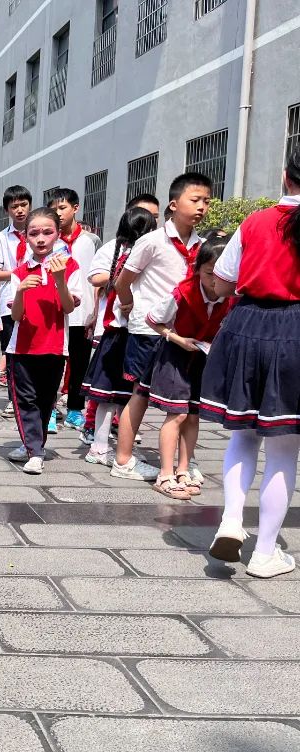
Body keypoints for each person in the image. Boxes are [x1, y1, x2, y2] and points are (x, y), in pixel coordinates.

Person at [200, 145, 300, 577]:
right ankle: (265, 553)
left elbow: (222, 282)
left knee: (242, 435)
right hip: (295, 330)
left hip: (246, 326)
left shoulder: (255, 222)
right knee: (284, 447)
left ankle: (231, 520)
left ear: (285, 176)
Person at [112, 172, 212, 480]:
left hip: (185, 334)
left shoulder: (203, 246)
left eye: (206, 201)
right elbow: (123, 281)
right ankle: (123, 459)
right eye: (194, 200)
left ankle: (184, 463)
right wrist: (130, 307)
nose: (201, 207)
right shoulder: (152, 241)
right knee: (140, 394)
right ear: (173, 204)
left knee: (186, 402)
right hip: (149, 330)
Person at [144, 239, 230, 499]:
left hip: (203, 359)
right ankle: (165, 474)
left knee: (193, 416)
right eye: (208, 273)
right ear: (197, 270)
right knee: (177, 415)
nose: (215, 281)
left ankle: (184, 469)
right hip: (176, 356)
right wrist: (178, 338)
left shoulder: (231, 296)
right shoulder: (182, 292)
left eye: (221, 274)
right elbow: (153, 320)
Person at [5, 207, 79, 474]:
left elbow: (68, 307)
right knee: (25, 400)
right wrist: (22, 291)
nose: (40, 238)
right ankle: (35, 450)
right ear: (25, 237)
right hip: (22, 348)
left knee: (47, 400)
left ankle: (33, 446)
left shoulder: (70, 267)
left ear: (58, 235)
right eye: (34, 233)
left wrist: (59, 279)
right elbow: (15, 315)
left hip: (55, 347)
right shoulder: (20, 271)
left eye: (47, 232)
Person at [81, 206, 158, 464]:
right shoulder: (122, 253)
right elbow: (97, 277)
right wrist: (124, 289)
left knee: (125, 397)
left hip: (131, 333)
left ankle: (115, 449)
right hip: (120, 334)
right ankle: (100, 448)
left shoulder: (139, 251)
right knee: (109, 395)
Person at [47, 188, 98, 432]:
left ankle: (76, 410)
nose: (58, 213)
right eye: (54, 208)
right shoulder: (48, 241)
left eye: (62, 208)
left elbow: (95, 279)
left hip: (82, 312)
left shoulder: (90, 242)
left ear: (75, 208)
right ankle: (48, 409)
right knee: (52, 364)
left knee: (80, 364)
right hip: (55, 313)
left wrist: (95, 312)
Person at [0, 185, 33, 412]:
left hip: (36, 302)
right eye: (14, 206)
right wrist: (21, 272)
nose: (20, 210)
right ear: (7, 210)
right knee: (11, 353)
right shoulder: (2, 240)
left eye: (24, 205)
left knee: (35, 353)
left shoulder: (40, 233)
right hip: (10, 303)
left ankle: (37, 400)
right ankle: (13, 398)